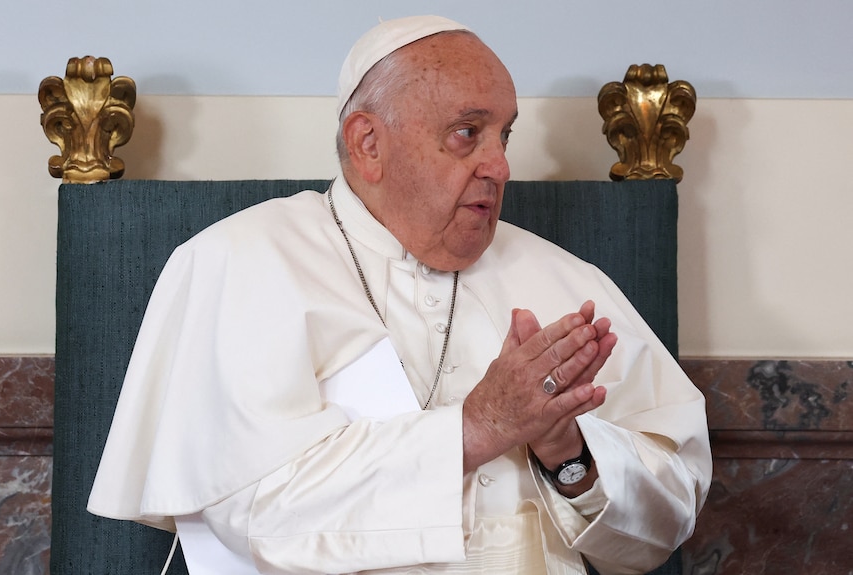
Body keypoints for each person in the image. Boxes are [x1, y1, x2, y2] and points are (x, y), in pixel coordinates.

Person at [88, 14, 712, 575]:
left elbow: (667, 520)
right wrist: (477, 428)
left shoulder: (566, 284)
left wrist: (568, 453)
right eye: (468, 133)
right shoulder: (241, 260)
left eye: (505, 136)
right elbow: (251, 513)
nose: (500, 167)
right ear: (368, 145)